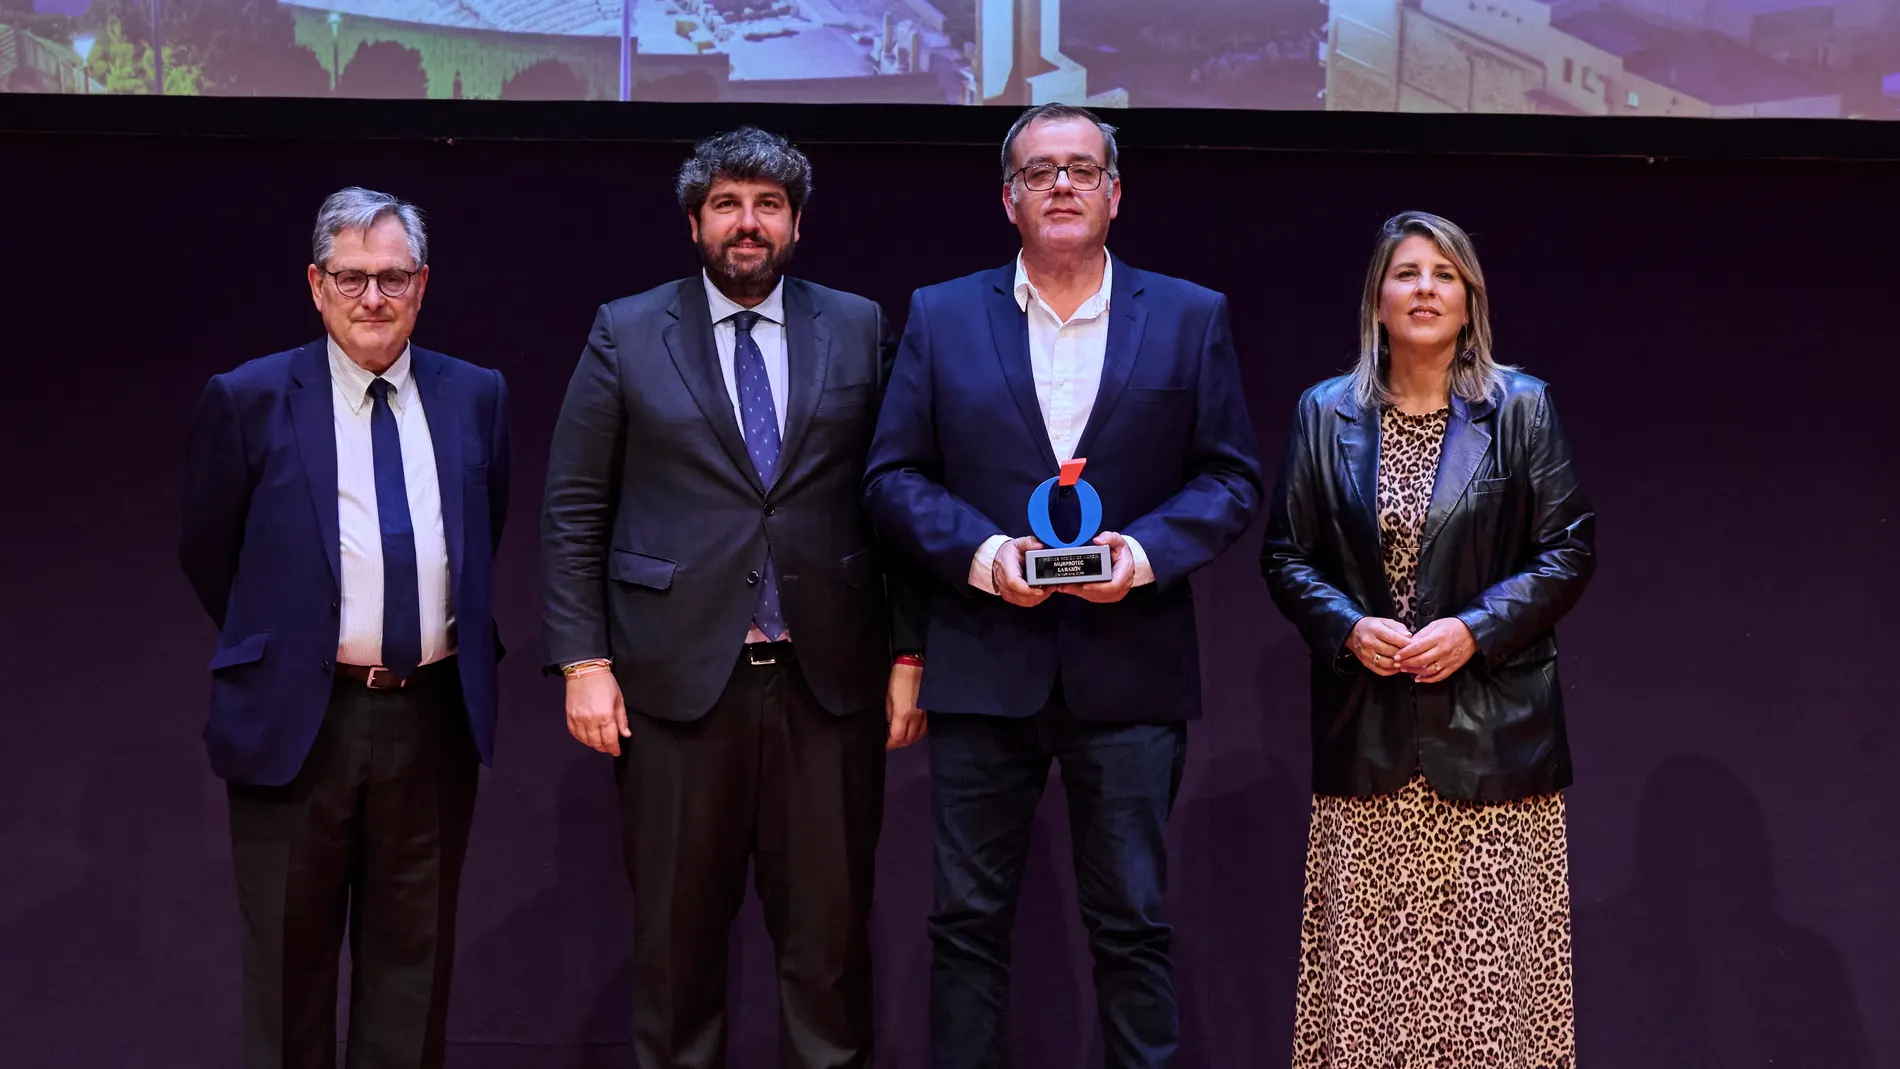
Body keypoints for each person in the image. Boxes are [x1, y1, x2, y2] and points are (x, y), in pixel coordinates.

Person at [863, 103, 1262, 1069]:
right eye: (1041, 173)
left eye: (1083, 170)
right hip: (982, 664)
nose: (1063, 187)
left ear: (1116, 193)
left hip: (1130, 668)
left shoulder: (1188, 314)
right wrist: (987, 556)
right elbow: (892, 477)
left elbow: (1231, 477)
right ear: (1010, 199)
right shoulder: (942, 313)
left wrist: (1146, 553)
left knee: (1132, 925)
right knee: (965, 927)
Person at [539, 126, 924, 1069]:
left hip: (827, 683)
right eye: (727, 204)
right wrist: (583, 659)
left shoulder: (862, 325)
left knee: (829, 957)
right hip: (673, 687)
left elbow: (902, 496)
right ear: (694, 219)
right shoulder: (627, 329)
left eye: (767, 205)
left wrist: (909, 654)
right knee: (675, 951)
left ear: (796, 221)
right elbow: (574, 506)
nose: (746, 224)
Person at [179, 187, 512, 1069]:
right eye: (353, 277)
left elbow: (485, 535)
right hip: (299, 719)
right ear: (317, 285)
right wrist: (295, 643)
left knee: (412, 977)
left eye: (393, 277)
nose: (374, 298)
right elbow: (209, 550)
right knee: (289, 979)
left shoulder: (476, 395)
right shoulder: (249, 397)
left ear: (423, 284)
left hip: (432, 719)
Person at [1260, 210, 1596, 1068]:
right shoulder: (1322, 413)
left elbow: (1569, 550)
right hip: (1368, 735)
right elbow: (1285, 555)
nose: (1425, 289)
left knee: (1491, 1001)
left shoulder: (1521, 407)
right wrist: (1346, 624)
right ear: (1377, 298)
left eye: (1445, 275)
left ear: (1470, 299)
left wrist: (1474, 629)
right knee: (1370, 997)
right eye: (1407, 273)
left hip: (1493, 746)